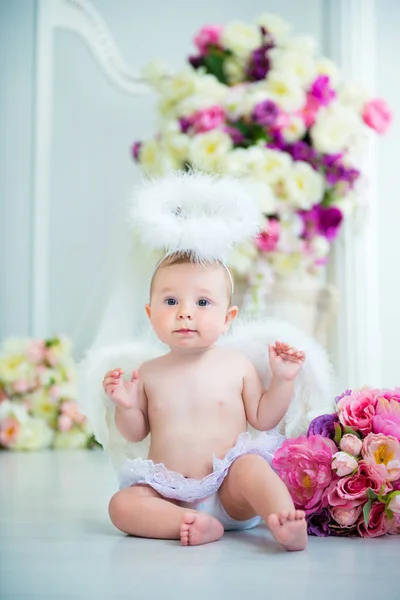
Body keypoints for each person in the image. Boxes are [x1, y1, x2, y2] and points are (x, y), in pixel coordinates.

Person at [103, 251, 308, 551]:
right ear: (150, 315)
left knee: (251, 466)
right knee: (121, 505)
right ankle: (187, 522)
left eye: (202, 302)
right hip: (168, 494)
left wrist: (282, 380)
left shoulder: (237, 366)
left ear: (227, 319)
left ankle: (284, 519)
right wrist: (127, 406)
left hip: (229, 491)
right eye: (171, 301)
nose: (185, 312)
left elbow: (264, 419)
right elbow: (136, 433)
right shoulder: (148, 372)